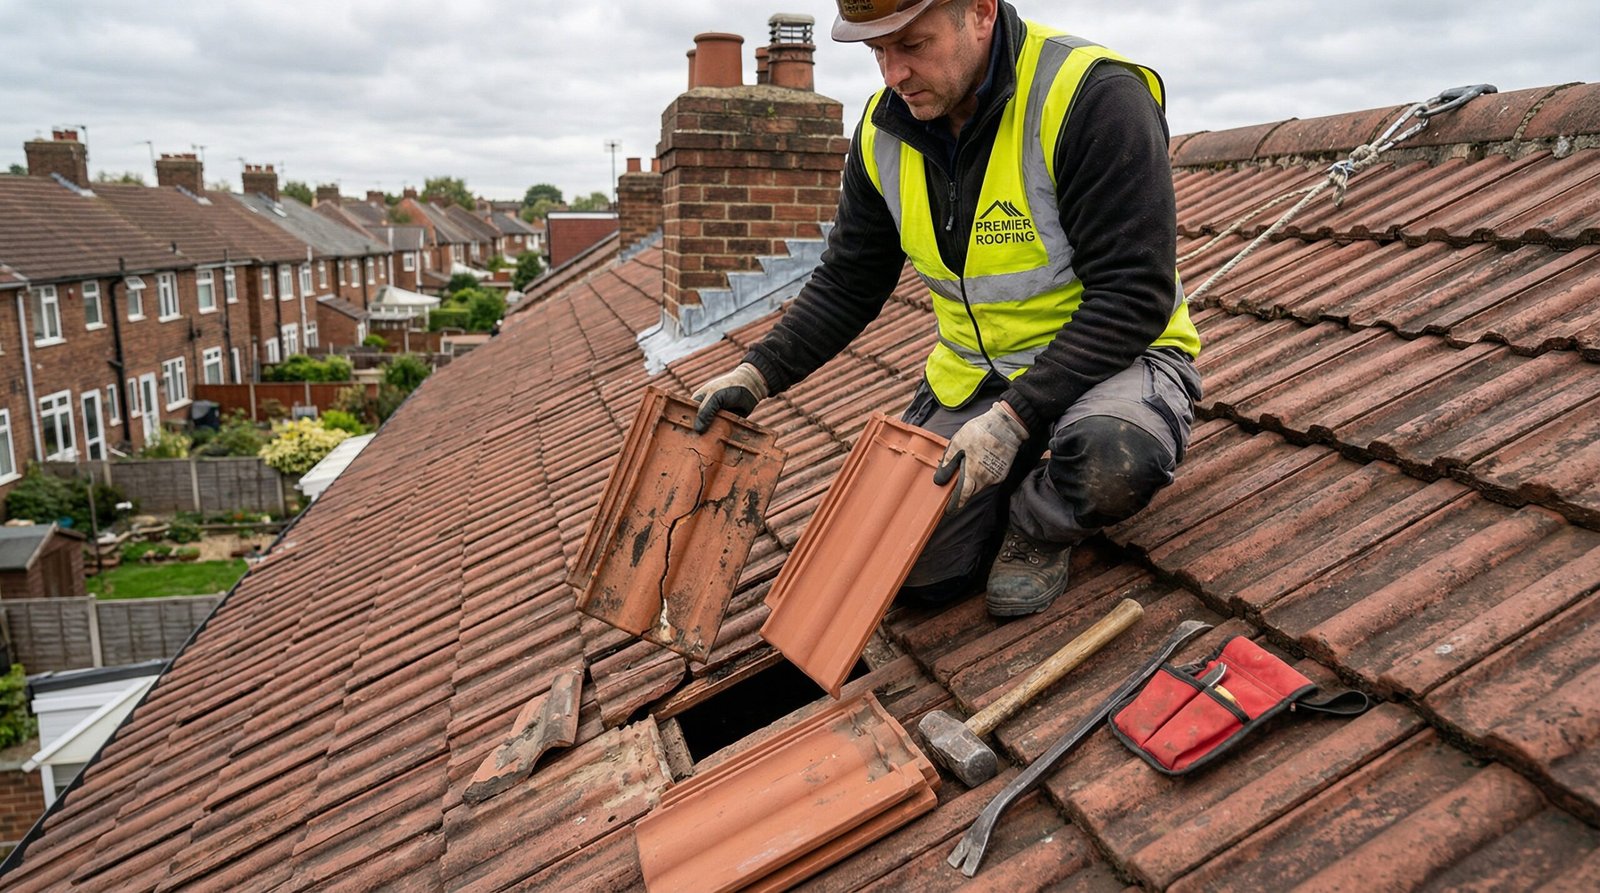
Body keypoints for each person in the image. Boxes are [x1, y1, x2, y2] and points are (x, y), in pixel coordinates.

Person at [692, 0, 1202, 616]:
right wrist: (759, 373)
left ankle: (1038, 526)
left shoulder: (1092, 97)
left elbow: (1133, 295)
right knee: (907, 575)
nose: (892, 74)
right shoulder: (886, 130)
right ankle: (1006, 484)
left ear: (981, 12)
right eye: (877, 51)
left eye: (912, 44)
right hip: (978, 382)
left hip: (1113, 361)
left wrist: (1016, 419)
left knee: (1112, 457)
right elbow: (849, 280)